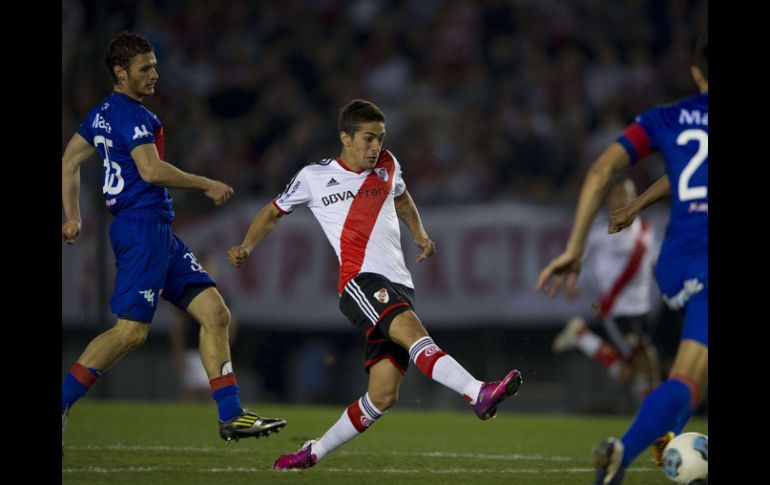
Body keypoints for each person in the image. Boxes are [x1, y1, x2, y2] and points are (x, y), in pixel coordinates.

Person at [228, 99, 523, 470]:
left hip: (400, 283)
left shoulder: (388, 164)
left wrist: (419, 232)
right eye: (368, 139)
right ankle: (477, 392)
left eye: (380, 139)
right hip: (359, 281)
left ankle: (311, 451)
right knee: (416, 336)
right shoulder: (313, 177)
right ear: (346, 138)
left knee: (382, 396)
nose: (375, 147)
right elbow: (273, 212)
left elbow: (401, 197)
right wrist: (245, 246)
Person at [61, 31, 285, 452]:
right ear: (119, 72)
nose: (154, 74)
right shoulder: (134, 116)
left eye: (155, 66)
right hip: (141, 228)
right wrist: (204, 183)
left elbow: (69, 160)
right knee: (130, 333)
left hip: (158, 232)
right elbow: (150, 171)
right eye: (145, 68)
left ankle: (231, 414)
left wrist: (73, 216)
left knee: (215, 313)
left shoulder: (101, 114)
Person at [536, 35, 707, 485]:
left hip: (681, 257)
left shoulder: (663, 118)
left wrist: (575, 247)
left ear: (695, 73)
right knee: (677, 373)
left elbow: (600, 171)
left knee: (686, 379)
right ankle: (630, 448)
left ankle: (633, 450)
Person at [551, 177, 661, 403]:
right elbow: (579, 255)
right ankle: (655, 424)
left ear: (635, 198)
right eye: (617, 194)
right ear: (609, 200)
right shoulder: (602, 231)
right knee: (646, 364)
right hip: (617, 308)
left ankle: (581, 336)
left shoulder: (646, 229)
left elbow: (657, 261)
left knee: (636, 371)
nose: (622, 199)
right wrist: (572, 280)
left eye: (627, 194)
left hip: (641, 307)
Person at [171, 252, 238, 403]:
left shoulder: (221, 295)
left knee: (213, 390)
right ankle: (187, 423)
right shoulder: (188, 292)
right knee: (191, 389)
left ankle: (211, 422)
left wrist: (225, 347)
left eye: (211, 267)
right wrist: (178, 351)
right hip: (193, 349)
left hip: (213, 348)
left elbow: (231, 324)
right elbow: (179, 327)